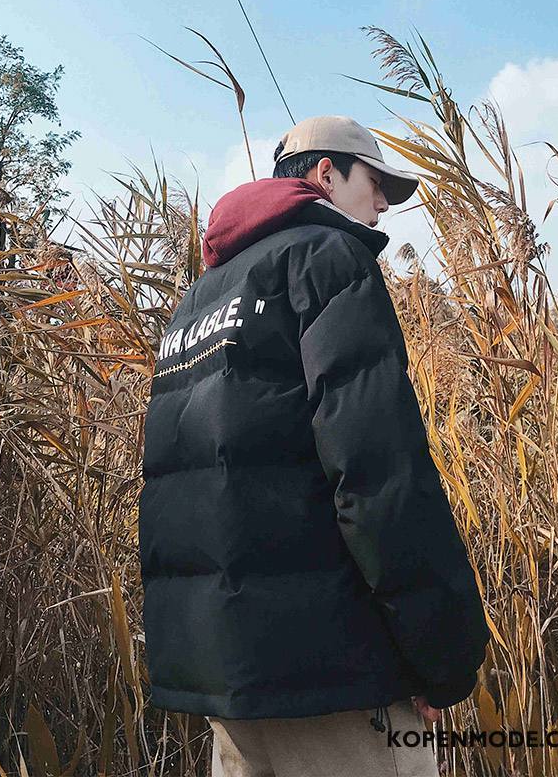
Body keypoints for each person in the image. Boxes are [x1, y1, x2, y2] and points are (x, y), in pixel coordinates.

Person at [139, 115, 490, 776]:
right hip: (338, 680)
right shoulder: (329, 260)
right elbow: (379, 475)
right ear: (326, 174)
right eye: (376, 181)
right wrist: (442, 657)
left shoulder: (197, 300)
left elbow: (173, 489)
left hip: (230, 681)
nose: (384, 203)